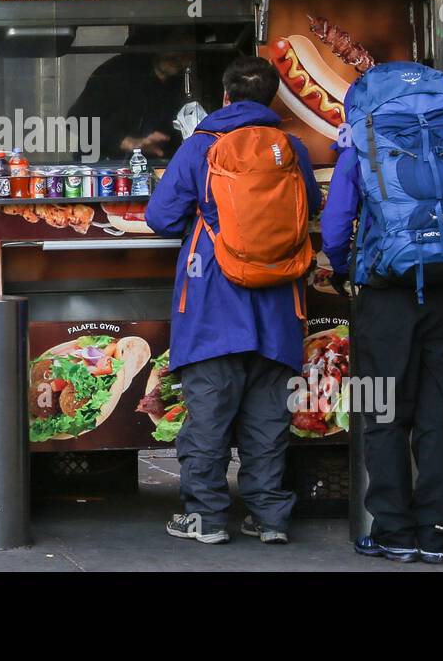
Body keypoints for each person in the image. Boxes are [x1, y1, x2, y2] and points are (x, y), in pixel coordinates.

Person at [320, 61, 443, 565]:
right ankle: (439, 533)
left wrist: (340, 267)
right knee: (440, 418)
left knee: (382, 414)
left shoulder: (361, 147)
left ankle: (394, 533)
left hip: (386, 297)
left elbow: (336, 223)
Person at [146, 56, 321, 546]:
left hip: (213, 306)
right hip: (279, 308)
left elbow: (160, 217)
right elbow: (312, 203)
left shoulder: (201, 145)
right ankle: (269, 519)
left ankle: (206, 518)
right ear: (270, 100)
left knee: (209, 418)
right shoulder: (291, 147)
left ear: (224, 96)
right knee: (268, 420)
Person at [68, 26, 194, 161]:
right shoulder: (116, 72)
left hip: (152, 170)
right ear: (159, 44)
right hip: (102, 171)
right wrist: (123, 141)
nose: (180, 57)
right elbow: (76, 120)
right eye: (176, 46)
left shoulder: (181, 88)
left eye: (188, 53)